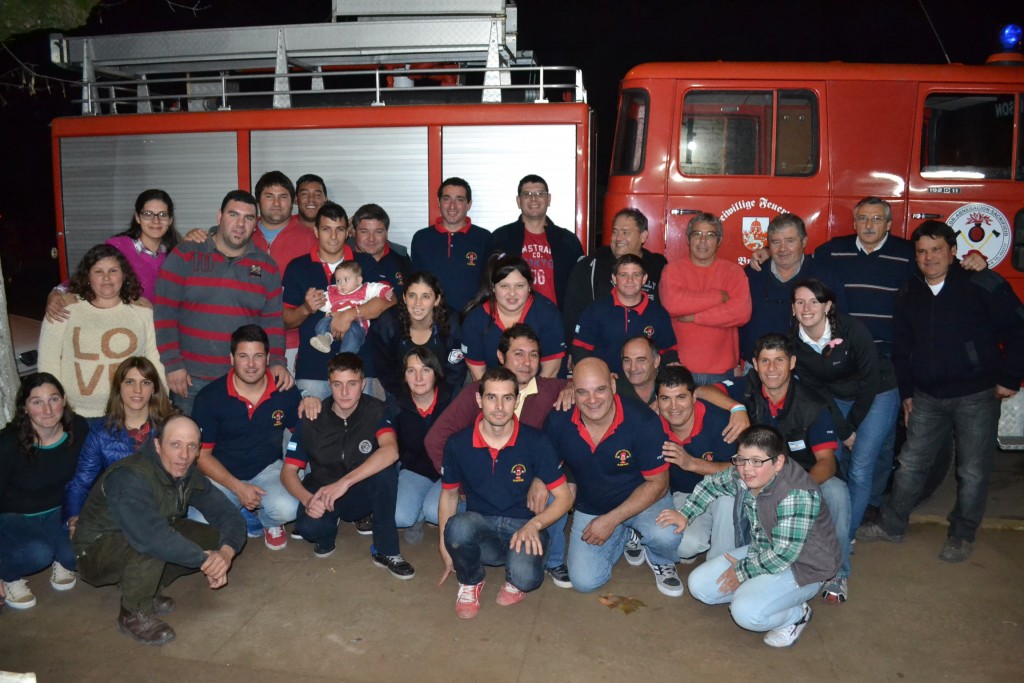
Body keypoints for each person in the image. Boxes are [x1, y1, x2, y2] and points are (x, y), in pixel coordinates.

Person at [857, 220, 1024, 562]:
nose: (929, 257)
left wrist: (1011, 378)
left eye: (936, 249)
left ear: (952, 252)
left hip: (976, 395)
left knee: (973, 470)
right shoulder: (909, 295)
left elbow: (1019, 329)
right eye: (922, 251)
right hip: (927, 397)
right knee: (910, 465)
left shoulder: (982, 283)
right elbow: (902, 351)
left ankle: (962, 535)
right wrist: (907, 394)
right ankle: (892, 525)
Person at [813, 197, 986, 509]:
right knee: (835, 441)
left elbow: (940, 273)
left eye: (877, 219)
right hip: (840, 362)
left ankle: (870, 506)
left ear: (889, 224)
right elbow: (801, 275)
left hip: (887, 364)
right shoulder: (830, 253)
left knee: (881, 445)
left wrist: (975, 261)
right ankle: (834, 507)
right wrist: (765, 253)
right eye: (863, 218)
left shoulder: (908, 254)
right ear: (854, 222)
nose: (869, 225)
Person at [658, 426, 840, 648]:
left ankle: (796, 615)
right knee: (699, 586)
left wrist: (743, 570)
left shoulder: (796, 493)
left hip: (804, 566)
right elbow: (711, 484)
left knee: (746, 613)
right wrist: (685, 514)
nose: (746, 469)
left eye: (756, 461)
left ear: (779, 462)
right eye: (741, 459)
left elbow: (783, 556)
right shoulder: (746, 472)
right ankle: (761, 592)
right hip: (763, 550)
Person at [72, 414, 245, 645]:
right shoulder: (129, 476)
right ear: (157, 444)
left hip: (143, 534)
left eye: (191, 446)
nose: (183, 456)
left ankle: (147, 586)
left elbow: (228, 513)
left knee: (213, 538)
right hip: (96, 552)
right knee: (154, 545)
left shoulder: (187, 474)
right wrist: (204, 560)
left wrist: (225, 553)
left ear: (198, 450)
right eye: (175, 445)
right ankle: (133, 613)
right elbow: (150, 537)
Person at [425, 323, 573, 588]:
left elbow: (591, 388)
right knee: (441, 515)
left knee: (554, 491)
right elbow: (437, 439)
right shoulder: (478, 391)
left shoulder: (554, 389)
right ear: (501, 357)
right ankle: (478, 562)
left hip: (530, 484)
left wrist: (575, 386)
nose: (527, 363)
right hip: (485, 480)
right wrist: (461, 478)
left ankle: (550, 560)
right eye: (519, 354)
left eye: (534, 355)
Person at [715, 334, 852, 603]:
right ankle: (749, 560)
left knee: (837, 492)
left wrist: (797, 491)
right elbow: (702, 390)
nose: (772, 368)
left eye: (779, 360)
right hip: (760, 473)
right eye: (764, 361)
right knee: (740, 484)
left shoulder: (812, 403)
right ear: (754, 364)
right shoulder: (747, 388)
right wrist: (737, 407)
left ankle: (838, 572)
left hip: (804, 476)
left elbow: (827, 461)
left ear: (792, 363)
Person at [438, 367, 573, 618]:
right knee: (456, 528)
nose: (499, 407)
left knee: (526, 579)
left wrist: (536, 524)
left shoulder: (536, 441)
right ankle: (471, 580)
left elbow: (565, 498)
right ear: (479, 400)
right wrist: (444, 548)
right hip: (482, 528)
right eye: (491, 397)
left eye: (507, 398)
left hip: (524, 528)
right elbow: (448, 496)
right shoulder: (458, 444)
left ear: (517, 400)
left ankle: (516, 576)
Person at [543, 358, 684, 597]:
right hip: (593, 504)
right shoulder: (559, 420)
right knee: (584, 581)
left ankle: (660, 558)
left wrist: (611, 520)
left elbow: (659, 484)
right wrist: (539, 481)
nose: (592, 400)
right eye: (582, 392)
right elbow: (545, 462)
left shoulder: (643, 421)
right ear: (572, 392)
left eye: (600, 389)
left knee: (666, 534)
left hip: (644, 500)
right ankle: (627, 535)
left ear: (613, 384)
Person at [154, 189, 292, 415]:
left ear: (255, 224)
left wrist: (276, 361)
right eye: (233, 215)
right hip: (190, 379)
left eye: (248, 218)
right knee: (188, 447)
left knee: (234, 448)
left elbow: (273, 323)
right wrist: (173, 364)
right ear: (219, 217)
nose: (240, 224)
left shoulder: (266, 266)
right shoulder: (185, 255)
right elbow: (164, 315)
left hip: (242, 380)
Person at [790, 278, 899, 555]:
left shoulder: (852, 329)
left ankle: (844, 537)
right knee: (830, 460)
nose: (807, 308)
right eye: (800, 302)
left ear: (827, 306)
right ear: (792, 309)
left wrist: (852, 427)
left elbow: (871, 379)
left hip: (877, 392)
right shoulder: (794, 344)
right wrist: (843, 430)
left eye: (814, 301)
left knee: (860, 467)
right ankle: (824, 525)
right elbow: (816, 393)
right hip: (834, 397)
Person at [282, 353, 414, 578]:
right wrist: (307, 500)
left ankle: (386, 550)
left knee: (385, 474)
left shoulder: (377, 410)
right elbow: (288, 472)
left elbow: (391, 451)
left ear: (363, 384)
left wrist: (344, 483)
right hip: (322, 487)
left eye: (352, 384)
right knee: (310, 530)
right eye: (337, 384)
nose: (344, 392)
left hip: (357, 489)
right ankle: (327, 530)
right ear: (329, 385)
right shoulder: (312, 417)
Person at [191, 325, 301, 551]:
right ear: (232, 358)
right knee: (198, 521)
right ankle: (245, 512)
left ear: (268, 358)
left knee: (288, 508)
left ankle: (268, 521)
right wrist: (237, 487)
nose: (251, 364)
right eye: (243, 356)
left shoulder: (284, 390)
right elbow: (201, 457)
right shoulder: (210, 397)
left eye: (258, 356)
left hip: (267, 469)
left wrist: (310, 401)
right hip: (223, 475)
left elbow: (302, 434)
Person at [38, 244, 165, 419]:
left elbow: (154, 358)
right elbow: (48, 361)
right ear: (88, 277)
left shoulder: (142, 310)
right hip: (76, 414)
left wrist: (162, 401)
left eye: (113, 271)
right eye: (98, 272)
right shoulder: (64, 308)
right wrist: (53, 404)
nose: (106, 278)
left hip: (128, 412)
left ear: (124, 275)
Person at [284, 201, 395, 401]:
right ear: (316, 231)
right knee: (313, 429)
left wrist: (350, 314)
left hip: (358, 370)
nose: (334, 237)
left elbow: (389, 299)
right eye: (327, 229)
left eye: (340, 229)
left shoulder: (365, 263)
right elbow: (286, 319)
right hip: (313, 371)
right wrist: (306, 308)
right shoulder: (298, 267)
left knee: (361, 431)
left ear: (348, 232)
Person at [0, 374, 87, 610]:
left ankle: (61, 556)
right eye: (37, 402)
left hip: (58, 513)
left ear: (64, 400)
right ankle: (9, 576)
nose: (47, 409)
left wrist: (78, 515)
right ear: (25, 408)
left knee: (80, 553)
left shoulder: (79, 429)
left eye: (53, 399)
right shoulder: (8, 442)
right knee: (38, 554)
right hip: (13, 518)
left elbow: (89, 477)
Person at [65, 357, 177, 527]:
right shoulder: (101, 431)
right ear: (119, 387)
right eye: (130, 382)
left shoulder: (170, 426)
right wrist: (74, 518)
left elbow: (185, 477)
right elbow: (81, 483)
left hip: (165, 510)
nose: (137, 390)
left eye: (145, 382)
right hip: (118, 513)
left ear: (154, 389)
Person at [45, 189, 182, 322]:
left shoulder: (176, 254)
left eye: (163, 215)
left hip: (163, 330)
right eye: (148, 214)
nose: (156, 221)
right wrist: (56, 293)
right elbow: (87, 276)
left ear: (170, 220)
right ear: (137, 217)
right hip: (125, 328)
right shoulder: (119, 246)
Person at [651, 366, 735, 563]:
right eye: (665, 398)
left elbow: (738, 471)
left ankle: (721, 563)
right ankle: (710, 533)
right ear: (657, 401)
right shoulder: (652, 427)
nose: (673, 406)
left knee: (727, 502)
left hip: (721, 492)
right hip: (685, 495)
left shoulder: (719, 419)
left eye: (681, 397)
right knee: (684, 547)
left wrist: (691, 463)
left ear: (694, 397)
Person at [660, 212, 752, 384]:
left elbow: (741, 312)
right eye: (697, 234)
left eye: (710, 235)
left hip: (722, 373)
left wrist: (695, 317)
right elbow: (672, 304)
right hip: (680, 370)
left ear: (719, 241)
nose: (703, 241)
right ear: (688, 239)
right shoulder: (672, 270)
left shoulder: (734, 272)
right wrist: (718, 296)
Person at [739, 213, 843, 364]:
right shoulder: (752, 274)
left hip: (810, 370)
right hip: (758, 368)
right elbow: (737, 324)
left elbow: (840, 323)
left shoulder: (825, 278)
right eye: (775, 242)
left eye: (790, 241)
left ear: (804, 241)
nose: (782, 249)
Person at [249, 171, 320, 372]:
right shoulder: (243, 235)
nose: (277, 203)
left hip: (295, 342)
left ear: (293, 201)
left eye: (283, 197)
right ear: (258, 201)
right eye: (269, 196)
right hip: (247, 343)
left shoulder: (311, 238)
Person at [563, 207, 667, 342]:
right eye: (615, 232)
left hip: (645, 352)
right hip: (600, 350)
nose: (618, 238)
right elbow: (572, 312)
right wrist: (573, 350)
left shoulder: (658, 267)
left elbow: (666, 313)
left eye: (625, 232)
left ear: (643, 236)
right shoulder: (591, 266)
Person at [364, 271, 465, 400]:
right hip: (401, 395)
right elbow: (387, 372)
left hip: (443, 395)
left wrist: (437, 402)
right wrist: (408, 401)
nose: (418, 303)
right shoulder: (387, 325)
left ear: (437, 300)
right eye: (412, 296)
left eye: (426, 297)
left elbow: (455, 374)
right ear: (405, 298)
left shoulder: (451, 324)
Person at [461, 254, 565, 381]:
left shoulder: (548, 314)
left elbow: (550, 371)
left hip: (539, 389)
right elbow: (478, 375)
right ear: (493, 287)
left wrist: (528, 400)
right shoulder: (475, 320)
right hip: (492, 390)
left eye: (519, 286)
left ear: (529, 286)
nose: (512, 293)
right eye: (504, 286)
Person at [488, 174, 584, 307]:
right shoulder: (501, 238)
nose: (533, 198)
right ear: (518, 201)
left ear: (548, 199)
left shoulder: (568, 241)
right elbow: (488, 282)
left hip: (555, 319)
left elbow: (580, 285)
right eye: (527, 194)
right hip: (513, 319)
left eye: (540, 193)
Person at [572, 254, 678, 374]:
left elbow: (668, 352)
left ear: (644, 279)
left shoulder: (658, 314)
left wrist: (673, 365)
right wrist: (599, 375)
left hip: (644, 385)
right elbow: (580, 350)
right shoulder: (595, 310)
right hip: (604, 384)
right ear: (614, 278)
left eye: (636, 275)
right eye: (623, 275)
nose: (630, 280)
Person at [392, 347, 452, 543]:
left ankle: (426, 508)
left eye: (425, 370)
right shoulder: (396, 406)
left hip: (448, 473)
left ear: (436, 373)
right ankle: (417, 513)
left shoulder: (453, 400)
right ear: (404, 376)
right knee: (400, 516)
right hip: (415, 470)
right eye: (411, 371)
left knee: (435, 512)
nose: (418, 377)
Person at [411, 177, 491, 313]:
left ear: (469, 204)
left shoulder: (484, 238)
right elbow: (416, 284)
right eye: (446, 199)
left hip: (472, 319)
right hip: (431, 319)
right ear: (439, 202)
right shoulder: (421, 238)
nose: (452, 206)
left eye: (459, 199)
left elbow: (489, 285)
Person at [309, 260, 394, 355]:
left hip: (356, 322)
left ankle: (345, 355)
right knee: (322, 323)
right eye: (338, 281)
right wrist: (317, 300)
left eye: (346, 280)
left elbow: (377, 288)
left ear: (358, 281)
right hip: (333, 320)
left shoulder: (364, 290)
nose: (342, 284)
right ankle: (325, 338)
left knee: (354, 336)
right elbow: (324, 304)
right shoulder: (333, 293)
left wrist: (385, 292)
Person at [350, 203, 412, 295]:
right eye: (364, 232)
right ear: (354, 232)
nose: (371, 239)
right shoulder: (344, 258)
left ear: (386, 233)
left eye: (378, 232)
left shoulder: (401, 258)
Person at [617, 335, 661, 407]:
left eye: (641, 360)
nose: (633, 368)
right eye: (627, 360)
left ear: (656, 361)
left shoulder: (671, 385)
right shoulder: (614, 388)